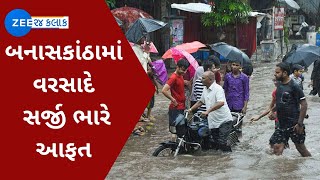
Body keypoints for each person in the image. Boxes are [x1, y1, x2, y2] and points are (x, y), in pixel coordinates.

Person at [272, 62, 311, 157]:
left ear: (284, 73)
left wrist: (300, 124)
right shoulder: (279, 86)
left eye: (277, 72)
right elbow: (279, 103)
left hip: (294, 124)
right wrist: (272, 112)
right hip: (281, 124)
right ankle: (281, 170)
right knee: (277, 147)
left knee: (301, 148)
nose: (275, 74)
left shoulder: (294, 86)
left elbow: (304, 104)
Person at [189, 71, 233, 152]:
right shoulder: (205, 89)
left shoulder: (218, 89)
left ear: (210, 80)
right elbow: (200, 101)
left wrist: (207, 111)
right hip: (213, 121)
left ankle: (228, 157)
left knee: (222, 142)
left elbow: (221, 102)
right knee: (215, 142)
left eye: (203, 78)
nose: (201, 79)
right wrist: (190, 109)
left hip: (224, 120)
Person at [162, 59, 190, 137]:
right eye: (183, 70)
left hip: (181, 106)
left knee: (181, 130)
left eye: (186, 70)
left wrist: (184, 82)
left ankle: (179, 146)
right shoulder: (173, 77)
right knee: (178, 131)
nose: (184, 72)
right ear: (177, 67)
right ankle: (176, 147)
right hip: (176, 108)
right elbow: (164, 90)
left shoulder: (180, 76)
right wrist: (173, 99)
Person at [223, 60, 250, 138]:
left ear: (240, 67)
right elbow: (225, 89)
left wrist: (245, 107)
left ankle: (238, 139)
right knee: (228, 122)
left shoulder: (244, 78)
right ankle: (230, 138)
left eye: (236, 65)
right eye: (233, 65)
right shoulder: (227, 76)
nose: (234, 67)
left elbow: (246, 92)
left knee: (238, 124)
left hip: (239, 104)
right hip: (229, 103)